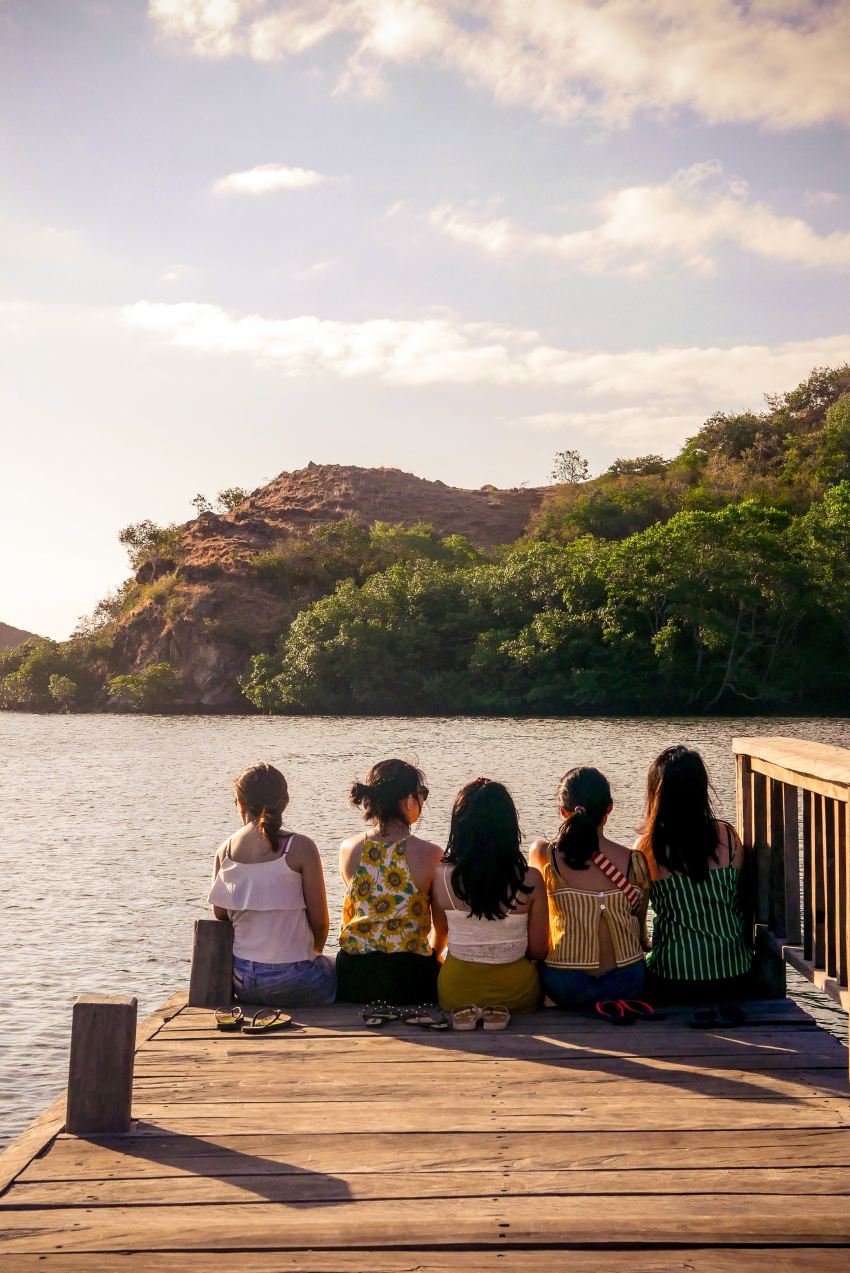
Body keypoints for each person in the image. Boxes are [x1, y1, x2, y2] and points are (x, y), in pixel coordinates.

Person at [208, 761, 336, 1007]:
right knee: (335, 968)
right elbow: (320, 922)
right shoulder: (300, 848)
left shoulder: (225, 851)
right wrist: (314, 952)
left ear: (240, 803)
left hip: (243, 980)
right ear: (284, 802)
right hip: (294, 979)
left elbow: (220, 913)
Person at [636, 745, 753, 1004]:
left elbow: (638, 923)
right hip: (733, 973)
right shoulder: (729, 838)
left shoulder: (646, 849)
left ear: (657, 795)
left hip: (672, 976)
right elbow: (740, 903)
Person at [529, 766, 650, 1009]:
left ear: (564, 812)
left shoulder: (544, 854)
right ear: (609, 809)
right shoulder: (634, 860)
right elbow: (639, 929)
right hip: (628, 983)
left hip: (566, 984)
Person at [432, 778, 547, 1014]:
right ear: (509, 827)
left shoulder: (442, 876)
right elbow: (538, 950)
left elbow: (440, 938)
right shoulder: (531, 879)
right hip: (516, 993)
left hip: (456, 993)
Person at [337, 759, 444, 1005]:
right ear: (408, 801)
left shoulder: (348, 849)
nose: (423, 802)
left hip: (354, 976)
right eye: (422, 795)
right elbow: (441, 927)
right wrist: (434, 958)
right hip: (410, 977)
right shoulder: (431, 854)